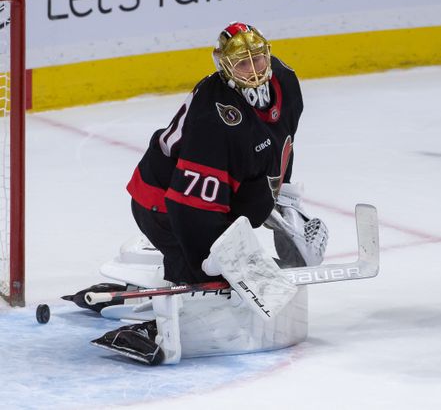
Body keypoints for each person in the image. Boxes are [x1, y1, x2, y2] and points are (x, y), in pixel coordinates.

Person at [65, 22, 329, 364]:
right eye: (243, 63)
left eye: (258, 59)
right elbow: (187, 205)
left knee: (251, 209)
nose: (254, 69)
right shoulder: (214, 118)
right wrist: (207, 263)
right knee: (211, 284)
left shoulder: (285, 80)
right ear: (224, 66)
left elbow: (282, 143)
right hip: (162, 201)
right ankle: (148, 323)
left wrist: (286, 205)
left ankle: (168, 284)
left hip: (214, 193)